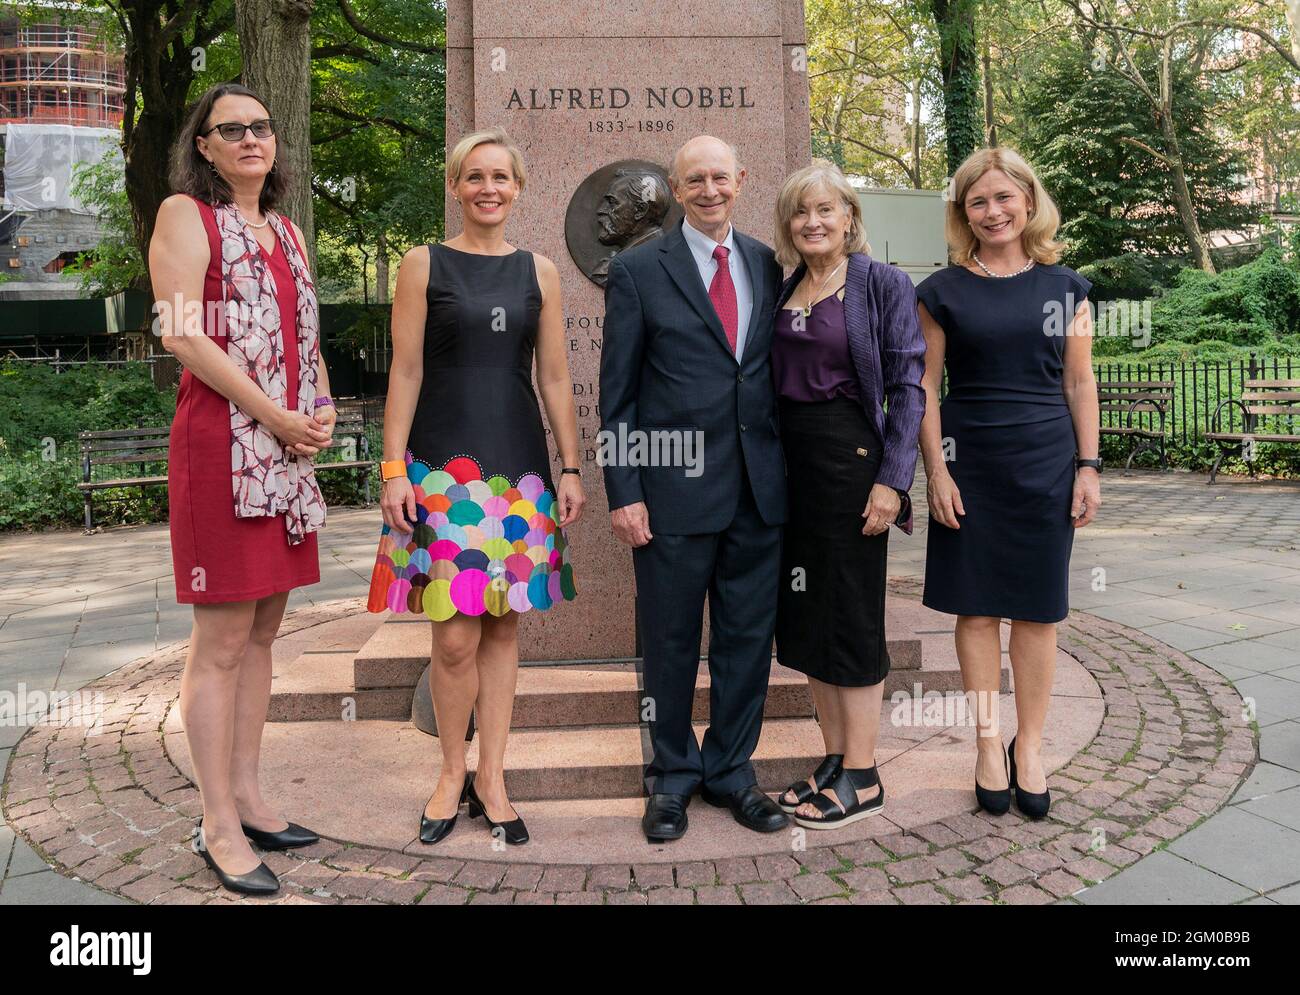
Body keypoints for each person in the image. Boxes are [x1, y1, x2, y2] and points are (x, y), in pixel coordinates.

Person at [365, 126, 584, 847]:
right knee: (452, 636)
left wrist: (572, 466)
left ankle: (493, 775)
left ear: (518, 188)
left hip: (518, 469)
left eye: (501, 177)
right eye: (474, 176)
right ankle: (449, 772)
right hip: (440, 468)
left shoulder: (539, 271)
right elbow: (404, 370)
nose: (488, 188)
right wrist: (393, 467)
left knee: (502, 626)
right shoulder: (422, 264)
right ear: (456, 186)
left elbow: (554, 376)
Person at [151, 83, 332, 895]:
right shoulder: (185, 218)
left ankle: (252, 798)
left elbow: (306, 339)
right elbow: (181, 331)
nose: (252, 139)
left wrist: (320, 408)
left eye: (262, 127)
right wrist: (273, 414)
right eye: (233, 129)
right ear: (206, 147)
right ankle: (216, 822)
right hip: (222, 448)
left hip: (286, 456)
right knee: (221, 641)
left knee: (263, 631)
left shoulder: (287, 231)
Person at [600, 135, 788, 843]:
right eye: (693, 180)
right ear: (674, 190)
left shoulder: (769, 264)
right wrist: (624, 490)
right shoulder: (638, 270)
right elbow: (616, 395)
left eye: (720, 177)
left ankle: (734, 770)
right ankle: (672, 776)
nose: (709, 189)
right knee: (671, 640)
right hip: (671, 494)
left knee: (746, 639)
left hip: (758, 492)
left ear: (740, 180)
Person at [916, 146, 1100, 821]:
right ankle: (989, 742)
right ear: (963, 212)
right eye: (977, 201)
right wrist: (933, 470)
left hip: (1046, 460)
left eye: (1003, 197)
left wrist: (1089, 465)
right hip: (970, 462)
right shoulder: (940, 291)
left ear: (1028, 200)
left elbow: (1080, 381)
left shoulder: (1068, 287)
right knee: (977, 608)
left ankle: (1032, 748)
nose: (992, 211)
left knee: (1038, 610)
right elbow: (923, 388)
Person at [769, 162, 925, 830]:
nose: (813, 222)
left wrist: (894, 479)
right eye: (802, 212)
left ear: (850, 217)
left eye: (825, 210)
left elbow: (911, 386)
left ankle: (864, 773)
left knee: (853, 616)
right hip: (790, 470)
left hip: (853, 465)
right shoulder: (787, 288)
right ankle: (833, 757)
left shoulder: (882, 283)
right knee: (809, 618)